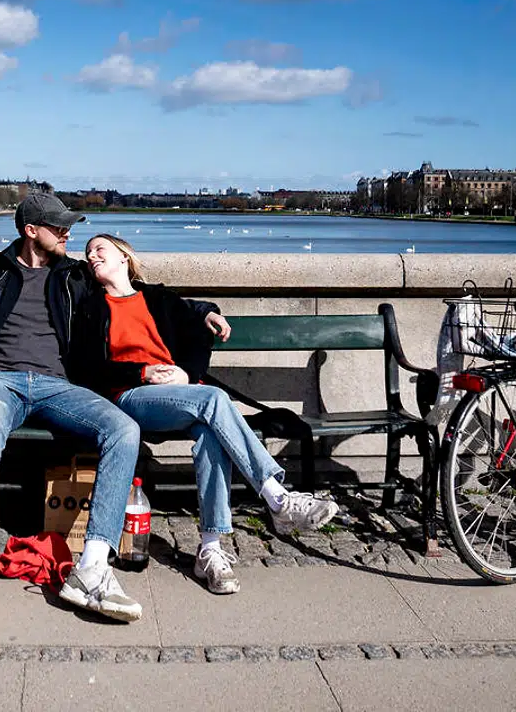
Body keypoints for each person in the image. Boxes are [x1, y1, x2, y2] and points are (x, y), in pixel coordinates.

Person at [0, 192, 227, 637]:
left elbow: (137, 294)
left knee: (122, 428)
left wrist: (204, 312)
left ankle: (92, 568)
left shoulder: (74, 276)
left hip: (59, 387)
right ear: (31, 231)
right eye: (59, 226)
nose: (69, 233)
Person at [69, 234, 340, 596]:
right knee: (213, 399)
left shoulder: (157, 297)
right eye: (88, 253)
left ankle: (210, 549)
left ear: (124, 257)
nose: (92, 255)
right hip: (131, 397)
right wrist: (141, 374)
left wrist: (187, 369)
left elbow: (195, 321)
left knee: (211, 433)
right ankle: (278, 499)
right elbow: (87, 369)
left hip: (181, 394)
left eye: (100, 249)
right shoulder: (91, 307)